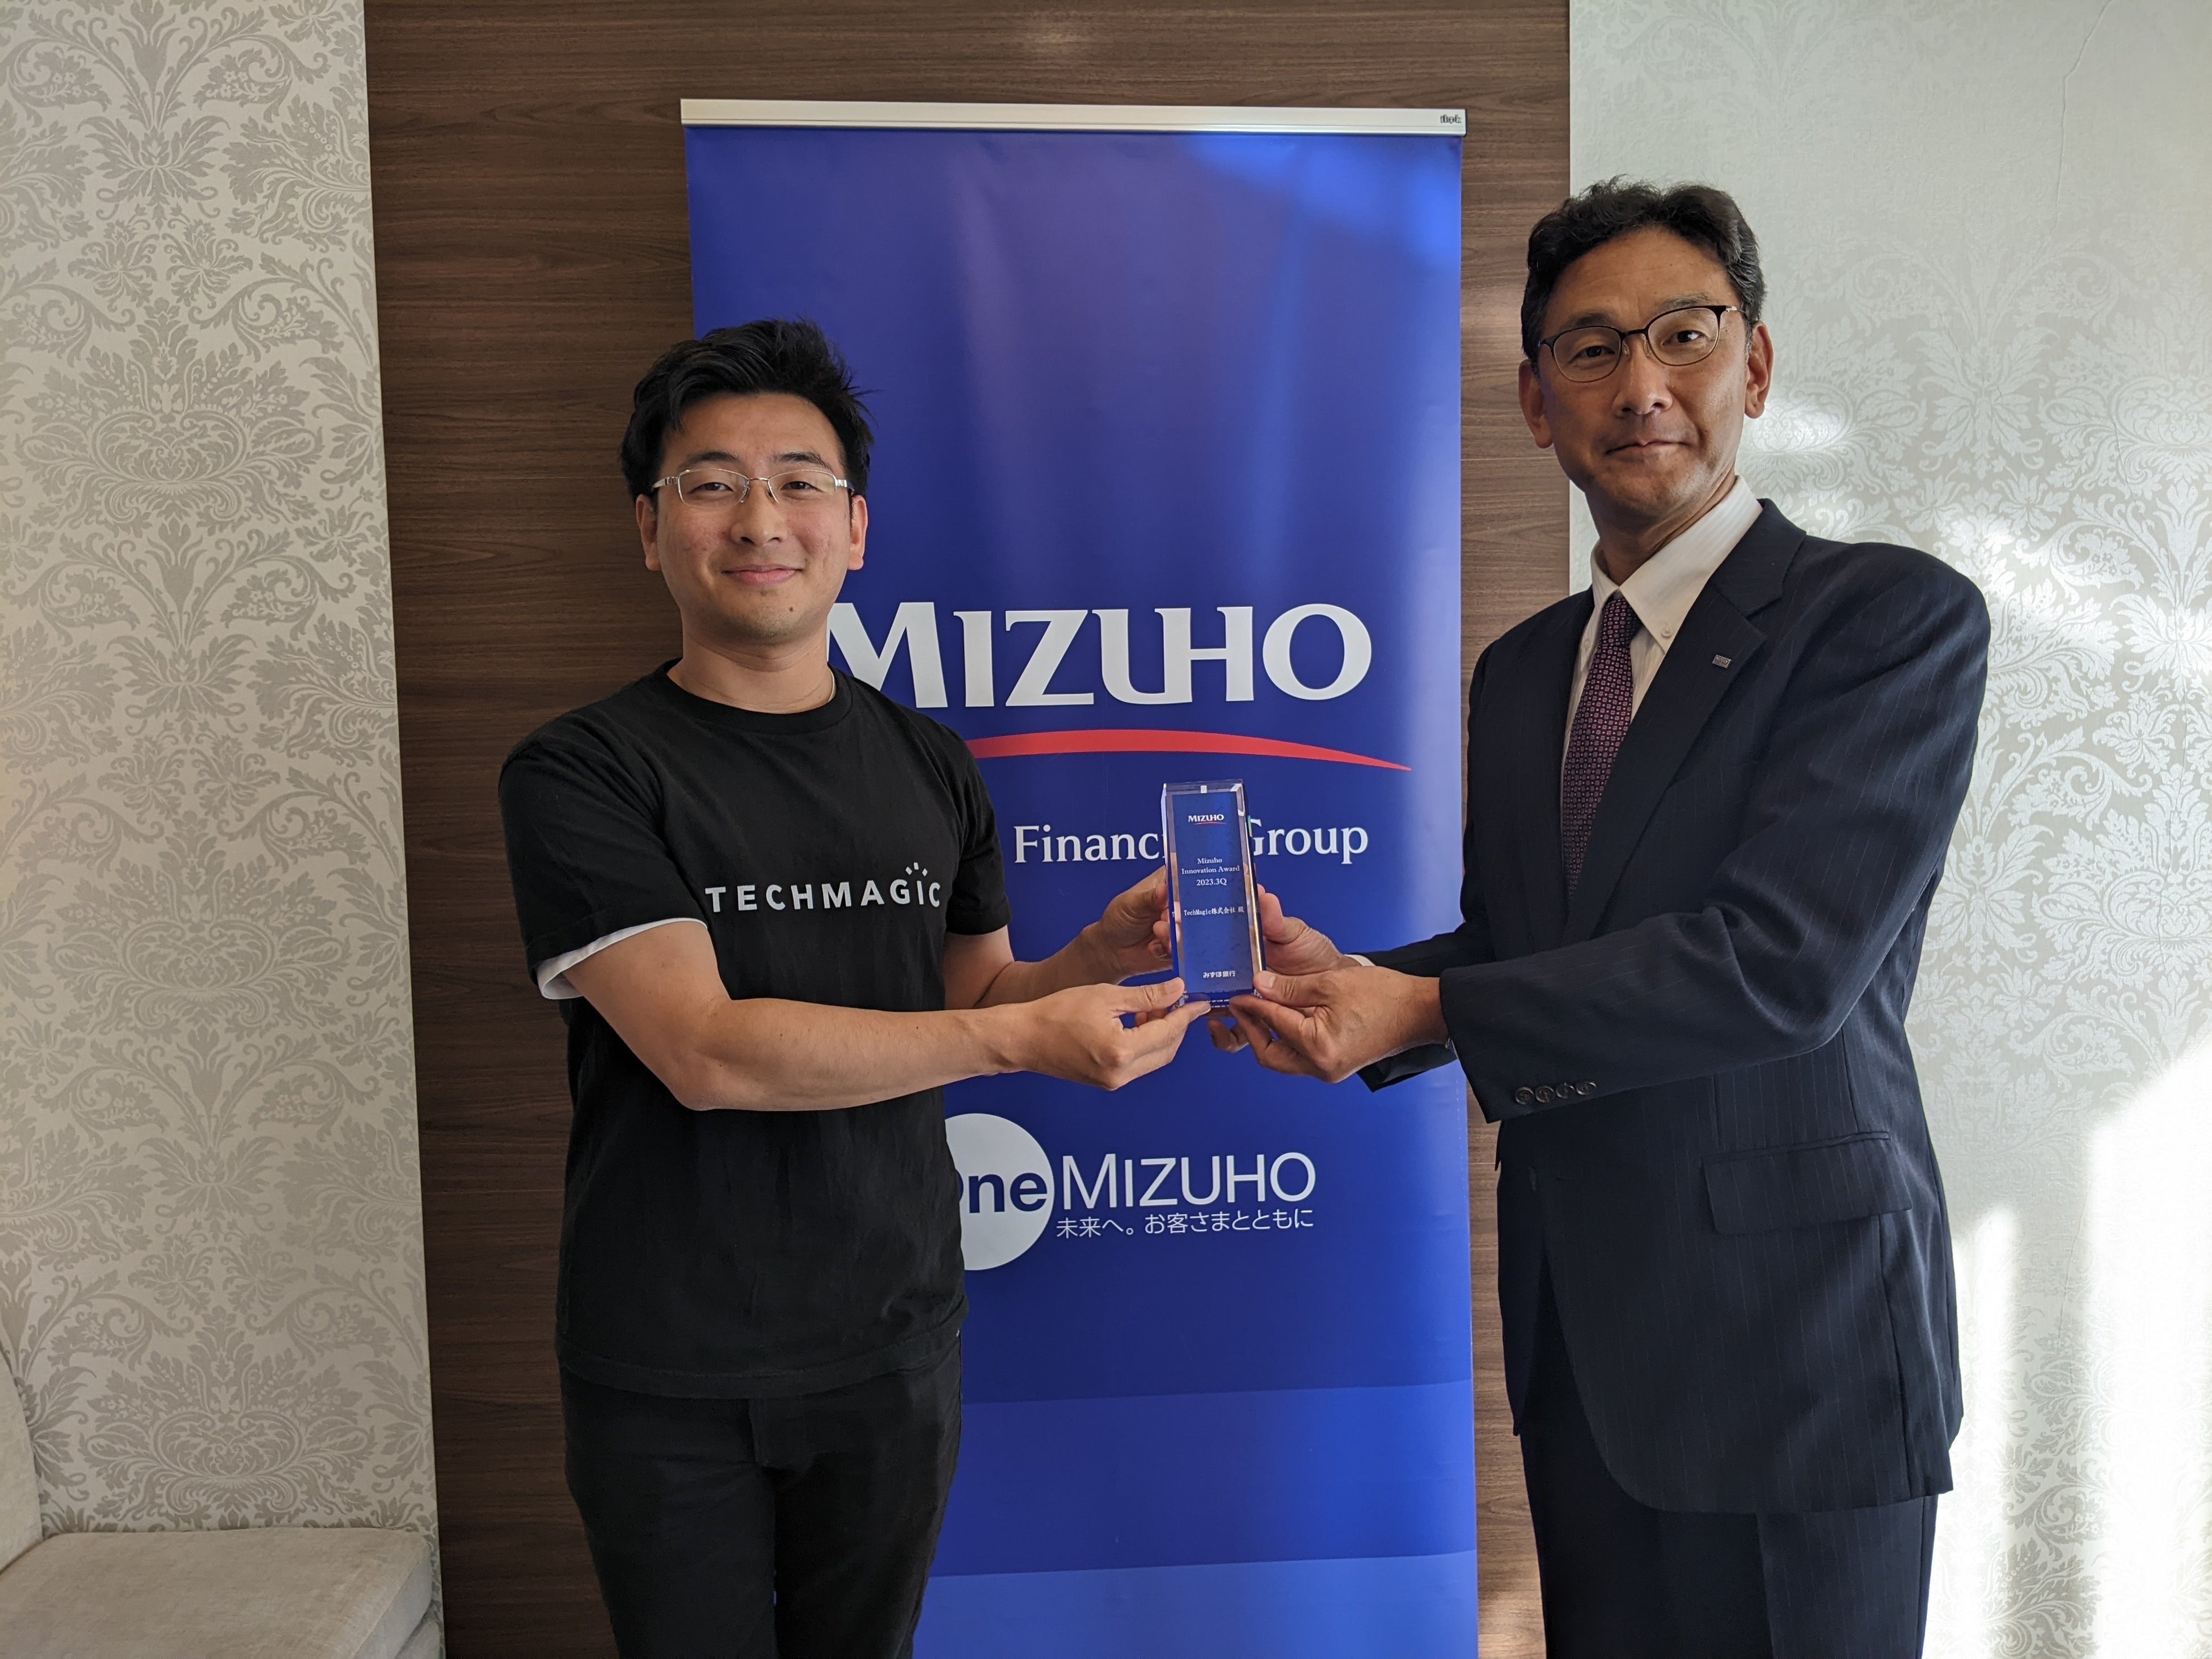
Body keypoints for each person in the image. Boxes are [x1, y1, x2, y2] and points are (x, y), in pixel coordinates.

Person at [1215, 182, 1986, 1658]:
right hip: (1582, 1339)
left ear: (1754, 365)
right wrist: (1355, 981)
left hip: (1797, 1348)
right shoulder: (1522, 672)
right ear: (1535, 401)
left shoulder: (1883, 620)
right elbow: (1529, 940)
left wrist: (1425, 1007)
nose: (1641, 386)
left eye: (1682, 334)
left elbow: (1781, 965)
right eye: (1590, 349)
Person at [497, 319, 1208, 1659]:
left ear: (857, 527)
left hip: (894, 1341)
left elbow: (978, 992)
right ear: (650, 527)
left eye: (800, 481)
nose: (760, 518)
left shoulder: (930, 761)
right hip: (671, 1364)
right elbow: (705, 1048)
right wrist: (1022, 1034)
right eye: (711, 483)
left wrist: (1090, 961)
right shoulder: (582, 770)